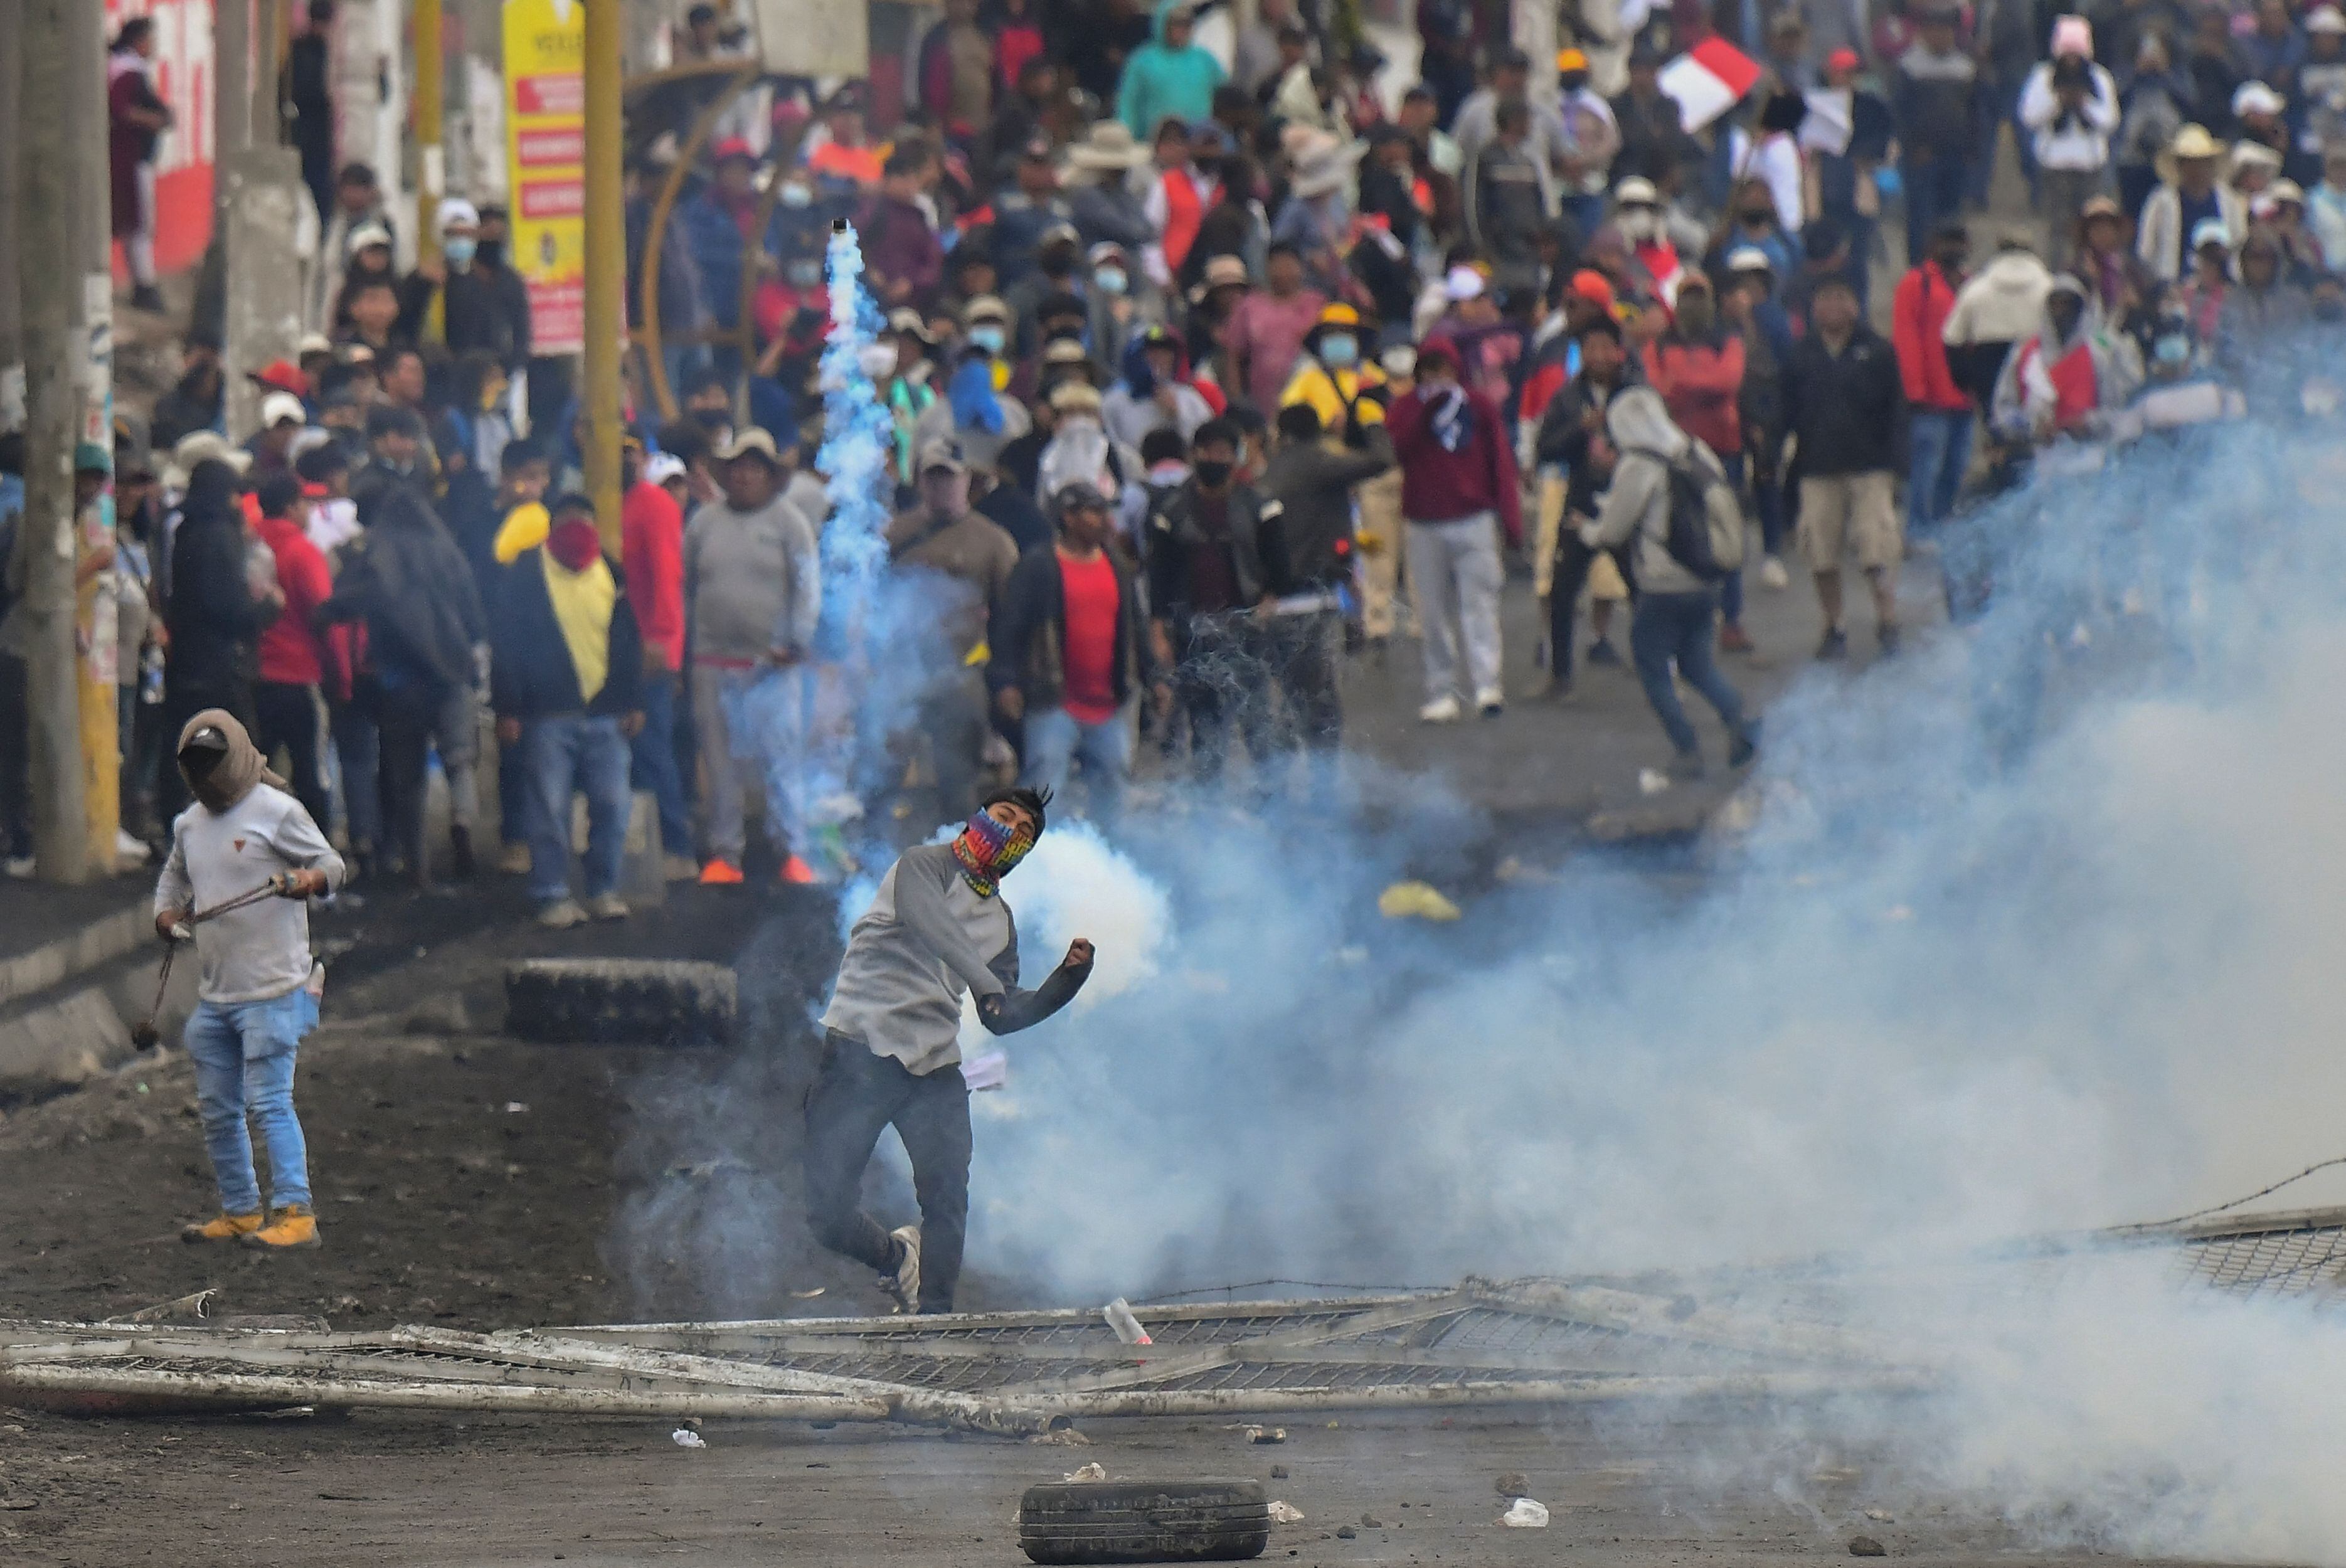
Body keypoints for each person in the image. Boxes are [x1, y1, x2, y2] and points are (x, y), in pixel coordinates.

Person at [806, 787, 1093, 1315]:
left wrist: (1065, 983)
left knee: (947, 1200)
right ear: (976, 819)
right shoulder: (922, 866)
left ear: (1024, 855)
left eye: (1024, 832)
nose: (1010, 832)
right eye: (1003, 818)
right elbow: (930, 924)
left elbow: (1001, 1013)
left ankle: (935, 1317)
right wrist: (986, 983)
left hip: (933, 1067)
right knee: (825, 1214)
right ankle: (896, 1259)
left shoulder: (1001, 924)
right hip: (859, 1051)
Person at [157, 711, 344, 1251]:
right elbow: (174, 876)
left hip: (272, 991)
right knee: (219, 1110)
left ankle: (296, 1212)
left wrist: (305, 881)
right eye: (195, 765)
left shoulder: (278, 810)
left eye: (212, 762)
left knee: (269, 1103)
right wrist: (166, 915)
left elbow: (331, 864)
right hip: (217, 995)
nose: (206, 774)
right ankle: (240, 1211)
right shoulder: (189, 824)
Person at [316, 479, 487, 888]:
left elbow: (358, 596)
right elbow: (474, 612)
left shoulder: (381, 553)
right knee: (460, 760)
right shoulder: (448, 552)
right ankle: (462, 820)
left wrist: (326, 613)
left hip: (400, 679)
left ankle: (417, 865)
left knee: (407, 776)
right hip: (453, 672)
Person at [1586, 386, 1758, 780]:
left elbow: (1613, 532)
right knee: (1698, 665)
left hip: (1662, 588)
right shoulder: (1696, 451)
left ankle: (1687, 749)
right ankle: (1740, 723)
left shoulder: (1638, 465)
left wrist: (1586, 530)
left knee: (1652, 666)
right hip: (1705, 581)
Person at [491, 495, 647, 928]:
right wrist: (509, 708)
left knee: (613, 805)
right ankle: (552, 893)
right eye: (569, 521)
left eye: (584, 520)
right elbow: (507, 645)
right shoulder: (524, 576)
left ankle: (603, 890)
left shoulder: (611, 574)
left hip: (606, 714)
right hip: (546, 714)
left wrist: (633, 700)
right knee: (548, 809)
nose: (577, 529)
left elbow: (628, 640)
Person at [686, 429, 822, 886]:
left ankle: (792, 852)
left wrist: (798, 641)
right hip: (713, 662)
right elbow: (685, 587)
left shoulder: (790, 523)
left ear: (769, 475)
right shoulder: (703, 522)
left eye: (754, 467)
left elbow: (807, 588)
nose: (745, 475)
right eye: (738, 467)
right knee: (720, 765)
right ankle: (726, 854)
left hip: (772, 666)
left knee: (782, 762)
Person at [992, 485, 1154, 824]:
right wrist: (1006, 683)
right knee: (1042, 791)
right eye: (1094, 513)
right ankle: (1033, 864)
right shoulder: (1039, 567)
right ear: (1068, 517)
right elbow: (1010, 629)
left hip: (1108, 705)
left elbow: (1135, 625)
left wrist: (1154, 676)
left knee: (1113, 791)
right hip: (1054, 702)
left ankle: (1107, 863)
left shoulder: (1115, 564)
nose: (1105, 521)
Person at [1388, 336, 1520, 721]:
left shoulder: (1478, 406)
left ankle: (1487, 686)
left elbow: (1500, 462)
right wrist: (1424, 413)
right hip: (1424, 523)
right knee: (1431, 612)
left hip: (1473, 518)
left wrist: (1509, 519)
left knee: (1479, 604)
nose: (1437, 378)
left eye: (1443, 369)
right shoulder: (1406, 409)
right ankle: (1441, 689)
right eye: (1429, 370)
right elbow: (1397, 450)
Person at [1258, 401, 1396, 771]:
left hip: (1280, 599)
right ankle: (1318, 787)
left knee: (1293, 692)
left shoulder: (1271, 471)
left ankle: (1289, 780)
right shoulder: (1316, 464)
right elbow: (1382, 461)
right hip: (1310, 598)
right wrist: (1372, 422)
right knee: (1317, 700)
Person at [888, 441, 1021, 822]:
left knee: (958, 780)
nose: (942, 486)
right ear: (920, 482)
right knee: (886, 775)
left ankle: (956, 864)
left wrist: (1004, 681)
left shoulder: (994, 542)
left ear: (967, 481)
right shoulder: (895, 535)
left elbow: (1008, 617)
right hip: (901, 675)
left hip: (963, 675)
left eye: (950, 477)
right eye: (933, 477)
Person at [1142, 419, 1278, 785]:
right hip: (1194, 631)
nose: (1215, 459)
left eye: (1223, 452)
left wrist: (1268, 603)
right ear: (1194, 455)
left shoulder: (1258, 506)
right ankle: (1208, 807)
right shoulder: (1171, 513)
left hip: (1246, 628)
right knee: (1204, 725)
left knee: (1257, 721)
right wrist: (1159, 630)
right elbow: (1160, 575)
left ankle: (1273, 801)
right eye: (1208, 451)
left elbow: (1278, 565)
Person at [1784, 273, 1908, 658]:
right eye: (1825, 298)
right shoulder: (1801, 354)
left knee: (1877, 548)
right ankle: (1833, 624)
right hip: (1817, 465)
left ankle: (1887, 619)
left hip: (1870, 466)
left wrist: (1898, 465)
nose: (1833, 306)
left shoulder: (1879, 351)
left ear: (1855, 305)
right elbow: (1788, 411)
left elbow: (1898, 412)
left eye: (1841, 297)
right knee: (1820, 550)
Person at [1640, 273, 1753, 652]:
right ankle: (1691, 622)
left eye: (1699, 296)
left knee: (1728, 535)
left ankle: (1732, 620)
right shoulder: (1658, 346)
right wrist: (1701, 385)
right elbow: (1660, 388)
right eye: (1686, 297)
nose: (1693, 305)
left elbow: (1729, 381)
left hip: (1723, 451)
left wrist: (1685, 382)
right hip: (1676, 453)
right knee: (1677, 535)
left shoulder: (1729, 339)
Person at [1531, 315, 1640, 698]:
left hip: (1629, 502)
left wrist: (1622, 453)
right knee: (1563, 590)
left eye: (1603, 348)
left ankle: (1655, 665)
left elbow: (1656, 442)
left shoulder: (1635, 394)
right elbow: (1545, 448)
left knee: (1639, 587)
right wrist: (1581, 429)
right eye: (1588, 348)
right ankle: (1560, 674)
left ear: (1617, 352)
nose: (1596, 356)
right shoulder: (1568, 397)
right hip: (1582, 502)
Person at [161, 459, 275, 824]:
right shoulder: (219, 537)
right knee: (238, 751)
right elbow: (228, 608)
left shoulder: (185, 531)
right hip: (221, 665)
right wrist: (268, 609)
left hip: (187, 661)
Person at [618, 440, 692, 878]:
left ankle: (675, 847)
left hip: (649, 648)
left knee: (652, 747)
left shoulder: (654, 504)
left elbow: (668, 578)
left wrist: (662, 643)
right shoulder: (615, 503)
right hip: (617, 647)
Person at [250, 475, 335, 834]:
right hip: (299, 676)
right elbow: (324, 614)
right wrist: (338, 673)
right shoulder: (303, 551)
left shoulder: (248, 547)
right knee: (311, 772)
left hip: (255, 676)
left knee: (254, 774)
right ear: (291, 508)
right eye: (305, 505)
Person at [1893, 222, 1975, 534]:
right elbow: (1906, 337)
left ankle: (1941, 524)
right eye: (1947, 241)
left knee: (1955, 468)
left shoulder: (1970, 284)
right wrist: (1915, 390)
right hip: (1929, 398)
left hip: (1963, 396)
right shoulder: (1916, 283)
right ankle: (1918, 528)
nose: (1954, 250)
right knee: (1925, 467)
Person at [2020, 21, 2121, 267]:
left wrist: (2084, 104)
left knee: (2092, 229)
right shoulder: (2043, 77)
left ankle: (2092, 273)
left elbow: (2110, 120)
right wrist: (2058, 102)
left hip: (2090, 167)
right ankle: (2056, 273)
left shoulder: (2099, 78)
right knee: (2057, 228)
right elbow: (2029, 117)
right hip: (2054, 166)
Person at [1894, 6, 1980, 267]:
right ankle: (1920, 270)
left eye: (1946, 31)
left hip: (1956, 156)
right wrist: (1913, 148)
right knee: (1921, 219)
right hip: (1922, 157)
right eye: (1935, 31)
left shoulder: (1966, 68)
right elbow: (1901, 115)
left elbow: (1976, 114)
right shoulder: (1909, 67)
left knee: (1952, 217)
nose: (1941, 37)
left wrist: (1972, 149)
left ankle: (1951, 269)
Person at [109, 17, 174, 315]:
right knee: (137, 222)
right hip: (130, 156)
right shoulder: (126, 70)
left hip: (136, 156)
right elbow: (122, 110)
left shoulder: (128, 68)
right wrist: (155, 120)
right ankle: (143, 285)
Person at [1226, 243, 1329, 415]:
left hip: (1310, 398)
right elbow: (1233, 355)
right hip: (1261, 401)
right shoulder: (1250, 306)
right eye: (1277, 265)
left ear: (1301, 268)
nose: (1283, 272)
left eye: (1289, 265)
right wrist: (1236, 402)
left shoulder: (1317, 304)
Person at [2138, 123, 2247, 280]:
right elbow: (2146, 250)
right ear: (2180, 166)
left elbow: (2240, 243)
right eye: (2190, 162)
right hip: (2175, 285)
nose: (2197, 169)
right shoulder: (2161, 201)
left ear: (2211, 164)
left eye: (2201, 162)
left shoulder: (2230, 202)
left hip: (2224, 289)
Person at [1118, 0, 1227, 143]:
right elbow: (1128, 103)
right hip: (1153, 146)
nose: (1182, 29)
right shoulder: (1142, 61)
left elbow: (1226, 97)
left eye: (1187, 23)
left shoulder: (1205, 60)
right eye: (1177, 23)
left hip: (1199, 147)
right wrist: (1127, 138)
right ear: (1163, 24)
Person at [285, 3, 339, 225]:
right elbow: (308, 92)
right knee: (317, 193)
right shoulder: (310, 52)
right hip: (310, 133)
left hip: (311, 133)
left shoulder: (303, 49)